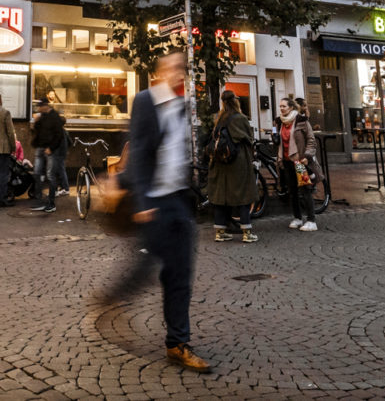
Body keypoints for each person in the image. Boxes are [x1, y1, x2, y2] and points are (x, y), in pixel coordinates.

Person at [95, 50, 208, 372]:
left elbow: (175, 153)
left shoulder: (182, 106)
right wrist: (142, 203)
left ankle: (177, 343)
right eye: (172, 68)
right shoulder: (146, 101)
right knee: (148, 262)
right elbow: (140, 151)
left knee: (180, 272)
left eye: (181, 69)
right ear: (160, 71)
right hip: (154, 200)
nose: (178, 73)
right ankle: (115, 295)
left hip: (177, 199)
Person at [207, 90, 258, 243]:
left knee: (221, 195)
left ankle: (220, 232)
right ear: (235, 101)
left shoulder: (219, 118)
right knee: (243, 193)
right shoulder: (240, 118)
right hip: (238, 160)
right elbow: (248, 138)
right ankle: (247, 232)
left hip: (220, 161)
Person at [276, 97, 320, 231]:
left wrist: (307, 156)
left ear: (291, 107)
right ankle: (297, 218)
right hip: (286, 161)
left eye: (284, 106)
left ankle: (312, 220)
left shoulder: (301, 121)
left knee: (305, 190)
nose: (281, 108)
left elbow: (311, 140)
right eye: (280, 106)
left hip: (299, 161)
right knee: (292, 191)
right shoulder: (279, 122)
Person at [31, 96, 67, 213]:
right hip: (40, 148)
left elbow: (59, 135)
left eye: (40, 107)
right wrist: (36, 122)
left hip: (51, 150)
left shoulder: (54, 117)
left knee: (50, 175)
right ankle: (39, 201)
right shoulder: (42, 117)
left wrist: (51, 148)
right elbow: (37, 130)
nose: (39, 109)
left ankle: (51, 203)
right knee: (37, 173)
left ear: (45, 106)